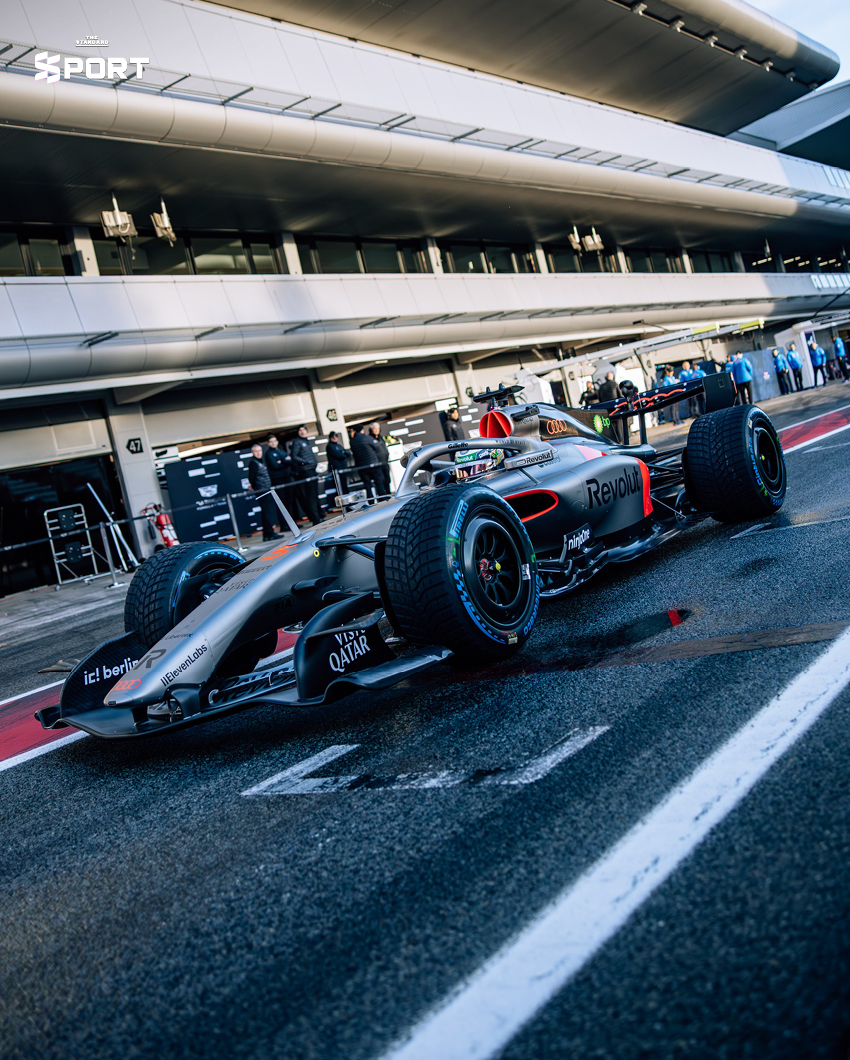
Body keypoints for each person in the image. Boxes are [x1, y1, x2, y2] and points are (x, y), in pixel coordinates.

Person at [290, 425, 323, 526]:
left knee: (314, 495)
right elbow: (294, 456)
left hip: (312, 470)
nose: (302, 431)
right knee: (311, 496)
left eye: (304, 429)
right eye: (300, 430)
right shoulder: (297, 441)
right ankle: (316, 518)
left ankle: (320, 515)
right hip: (306, 471)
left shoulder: (306, 441)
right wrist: (306, 462)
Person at [247, 443, 281, 541]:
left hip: (266, 489)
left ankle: (268, 534)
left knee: (267, 512)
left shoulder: (260, 461)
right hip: (262, 491)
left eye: (260, 451)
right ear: (252, 452)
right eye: (256, 451)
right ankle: (269, 534)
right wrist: (256, 487)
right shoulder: (253, 463)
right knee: (266, 512)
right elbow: (251, 477)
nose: (258, 453)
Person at [264, 434, 293, 521]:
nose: (273, 443)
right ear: (268, 443)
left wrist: (281, 461)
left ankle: (292, 523)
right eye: (271, 442)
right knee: (281, 502)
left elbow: (290, 461)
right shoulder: (268, 454)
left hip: (287, 478)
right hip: (278, 480)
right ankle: (284, 524)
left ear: (277, 442)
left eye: (274, 441)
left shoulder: (281, 451)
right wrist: (285, 461)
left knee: (289, 501)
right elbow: (275, 466)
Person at [350, 424, 381, 502]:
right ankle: (382, 499)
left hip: (362, 466)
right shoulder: (365, 438)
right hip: (372, 464)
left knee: (367, 485)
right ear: (362, 430)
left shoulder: (352, 441)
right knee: (378, 482)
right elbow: (374, 446)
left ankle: (371, 502)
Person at [369, 421, 391, 497]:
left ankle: (389, 495)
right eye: (374, 428)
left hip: (385, 462)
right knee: (381, 482)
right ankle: (382, 498)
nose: (376, 430)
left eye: (377, 428)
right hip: (378, 464)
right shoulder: (369, 439)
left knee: (387, 480)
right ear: (371, 429)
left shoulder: (380, 437)